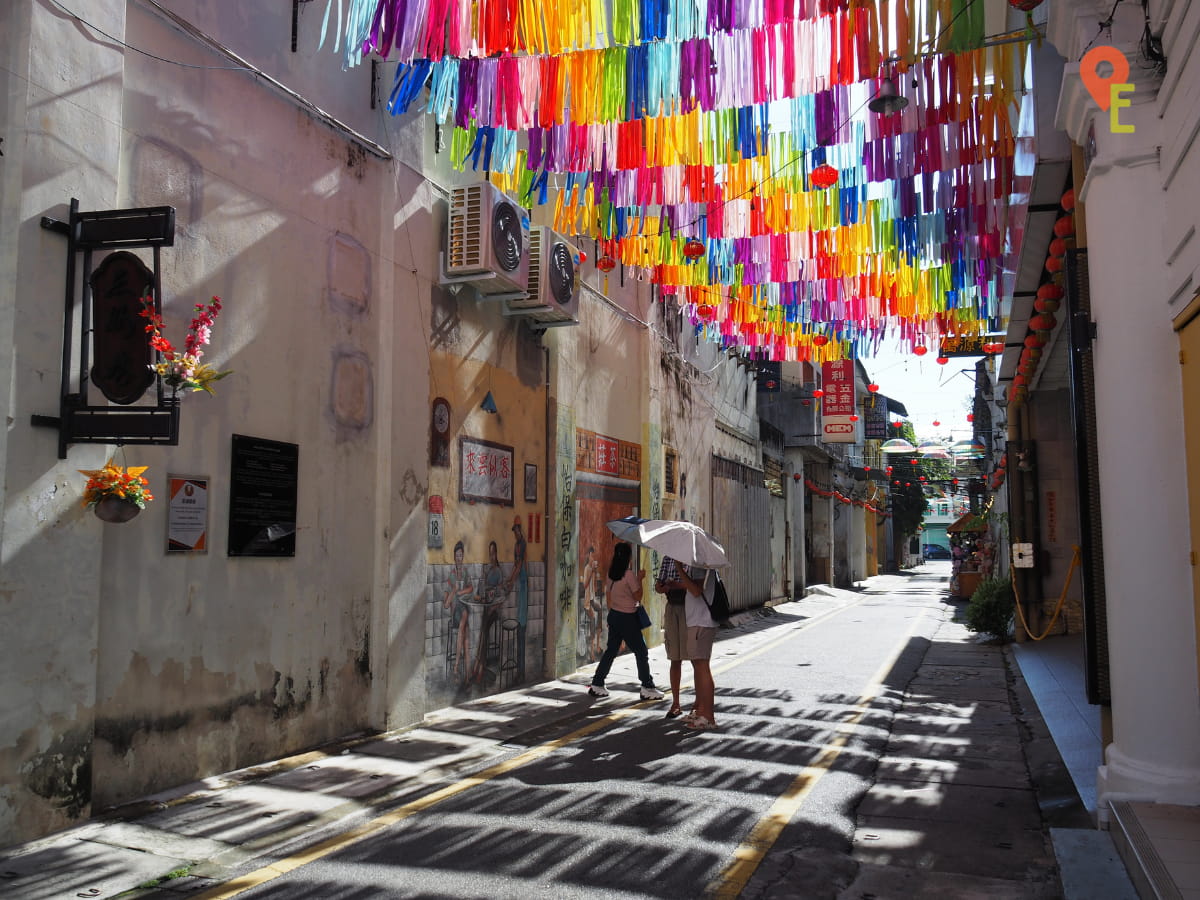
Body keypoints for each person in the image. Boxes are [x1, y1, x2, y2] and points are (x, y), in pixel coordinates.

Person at [587, 542, 664, 701]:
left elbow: (609, 594)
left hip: (615, 615)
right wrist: (640, 579)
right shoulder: (628, 575)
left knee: (611, 650)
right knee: (641, 651)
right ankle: (647, 686)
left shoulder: (611, 573)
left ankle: (597, 682)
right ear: (628, 557)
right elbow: (637, 596)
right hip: (628, 618)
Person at [677, 565, 719, 730]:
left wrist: (679, 569)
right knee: (698, 666)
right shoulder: (699, 564)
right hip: (697, 621)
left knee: (702, 666)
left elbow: (696, 590)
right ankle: (701, 710)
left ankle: (708, 716)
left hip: (701, 622)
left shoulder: (701, 563)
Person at [655, 555, 692, 719]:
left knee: (695, 659)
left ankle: (698, 704)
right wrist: (663, 587)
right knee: (674, 658)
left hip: (689, 609)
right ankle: (676, 703)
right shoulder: (668, 559)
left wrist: (678, 584)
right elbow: (658, 585)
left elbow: (696, 587)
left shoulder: (693, 558)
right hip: (672, 607)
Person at [470, 540, 505, 684]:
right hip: (487, 609)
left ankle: (479, 668)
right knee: (482, 635)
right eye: (489, 554)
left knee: (484, 633)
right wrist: (482, 580)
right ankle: (478, 668)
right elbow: (483, 592)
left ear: (496, 554)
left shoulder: (498, 572)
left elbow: (501, 596)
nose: (491, 556)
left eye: (493, 553)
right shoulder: (489, 570)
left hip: (494, 611)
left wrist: (492, 608)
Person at [442, 540, 475, 683]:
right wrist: (454, 591)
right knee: (464, 617)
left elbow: (471, 588)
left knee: (466, 638)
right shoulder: (451, 576)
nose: (459, 558)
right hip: (456, 613)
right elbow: (446, 605)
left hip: (464, 611)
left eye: (461, 555)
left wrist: (460, 592)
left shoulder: (465, 572)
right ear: (454, 557)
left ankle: (466, 676)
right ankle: (457, 667)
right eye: (457, 555)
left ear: (463, 556)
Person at [506, 516, 528, 681]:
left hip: (523, 583)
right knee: (519, 626)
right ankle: (520, 670)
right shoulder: (515, 545)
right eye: (514, 531)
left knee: (521, 627)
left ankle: (521, 671)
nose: (515, 533)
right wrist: (509, 579)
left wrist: (511, 580)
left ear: (520, 529)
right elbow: (515, 565)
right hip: (519, 583)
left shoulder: (523, 544)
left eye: (517, 530)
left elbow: (520, 565)